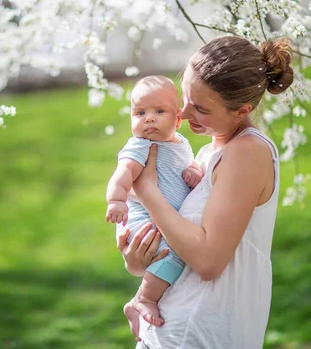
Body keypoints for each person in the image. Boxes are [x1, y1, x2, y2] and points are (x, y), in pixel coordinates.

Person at [116, 36, 292, 348]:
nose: (182, 113)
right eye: (184, 99)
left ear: (241, 110)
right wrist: (139, 261)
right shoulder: (204, 157)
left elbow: (209, 261)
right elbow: (180, 239)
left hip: (199, 334)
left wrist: (146, 190)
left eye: (200, 108)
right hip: (168, 328)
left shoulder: (248, 152)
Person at [105, 75, 204, 332]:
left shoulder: (180, 144)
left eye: (159, 111)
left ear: (178, 120)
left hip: (159, 214)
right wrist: (116, 200)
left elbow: (184, 166)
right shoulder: (140, 146)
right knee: (173, 255)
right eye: (140, 112)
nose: (149, 118)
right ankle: (143, 299)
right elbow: (123, 174)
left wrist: (194, 171)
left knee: (176, 250)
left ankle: (143, 298)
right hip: (141, 219)